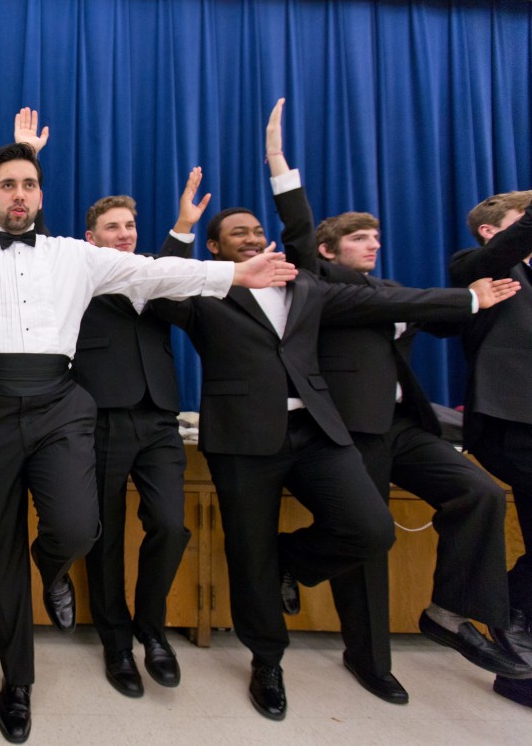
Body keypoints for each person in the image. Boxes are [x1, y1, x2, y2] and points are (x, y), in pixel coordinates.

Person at [0, 29, 297, 744]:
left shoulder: (77, 255)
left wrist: (233, 273)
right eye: (7, 185)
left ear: (40, 195)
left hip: (59, 402)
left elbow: (153, 272)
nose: (18, 194)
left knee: (78, 527)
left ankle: (53, 566)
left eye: (29, 184)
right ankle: (16, 680)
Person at [149, 154, 511, 721]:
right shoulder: (206, 293)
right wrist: (183, 229)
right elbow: (160, 285)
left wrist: (468, 299)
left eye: (257, 230)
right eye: (236, 232)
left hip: (317, 430)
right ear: (217, 250)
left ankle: (292, 558)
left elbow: (387, 300)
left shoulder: (310, 288)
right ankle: (267, 661)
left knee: (369, 529)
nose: (251, 237)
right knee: (249, 554)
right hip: (242, 440)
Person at [267, 99, 529, 703]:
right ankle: (368, 658)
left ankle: (448, 612)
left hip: (405, 425)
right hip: (348, 430)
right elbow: (302, 239)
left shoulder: (395, 289)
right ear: (331, 252)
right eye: (359, 237)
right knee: (372, 538)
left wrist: (472, 298)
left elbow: (428, 311)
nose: (372, 244)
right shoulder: (320, 282)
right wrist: (281, 165)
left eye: (376, 237)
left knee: (481, 493)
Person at [70, 173, 209, 699]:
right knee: (103, 538)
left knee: (171, 526)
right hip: (101, 418)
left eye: (130, 225)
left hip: (159, 421)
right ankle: (114, 641)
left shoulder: (156, 279)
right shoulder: (81, 275)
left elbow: (166, 277)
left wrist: (181, 229)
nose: (125, 233)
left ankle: (151, 629)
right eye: (113, 226)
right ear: (92, 238)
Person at [449, 187, 532, 707]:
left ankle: (513, 653)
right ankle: (503, 612)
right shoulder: (481, 266)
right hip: (508, 423)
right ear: (491, 229)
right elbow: (506, 249)